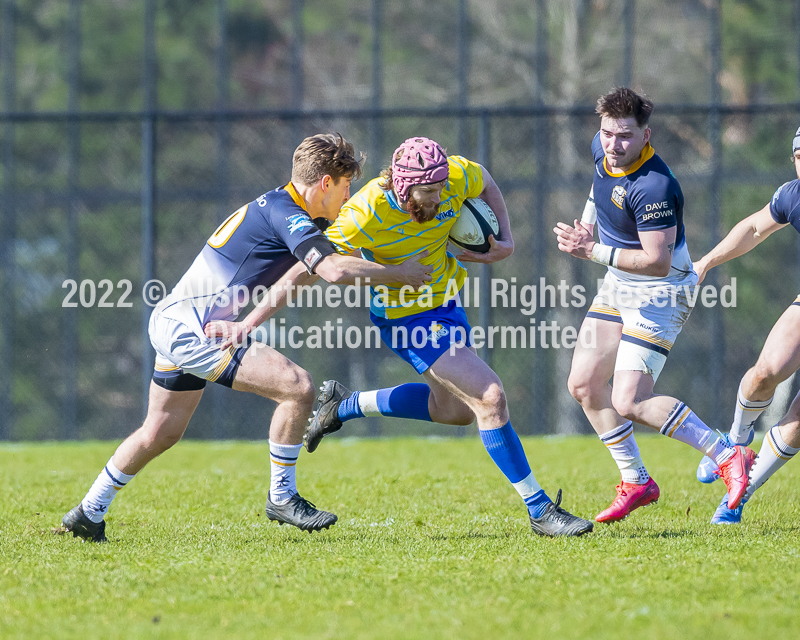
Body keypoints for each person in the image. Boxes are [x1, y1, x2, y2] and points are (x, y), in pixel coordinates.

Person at [61, 133, 432, 542]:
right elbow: (333, 271)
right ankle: (282, 497)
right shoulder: (285, 213)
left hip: (178, 321)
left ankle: (88, 511)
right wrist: (400, 273)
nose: (349, 197)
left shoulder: (289, 212)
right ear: (325, 183)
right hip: (193, 329)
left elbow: (302, 275)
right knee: (298, 388)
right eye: (346, 188)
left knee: (161, 431)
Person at [304, 136, 594, 537]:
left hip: (445, 303)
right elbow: (328, 262)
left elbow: (486, 180)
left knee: (456, 411)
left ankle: (345, 405)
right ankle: (540, 509)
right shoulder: (365, 211)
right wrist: (394, 274)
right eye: (428, 191)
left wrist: (505, 242)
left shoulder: (453, 177)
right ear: (404, 187)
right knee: (490, 397)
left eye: (441, 187)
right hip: (406, 316)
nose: (439, 197)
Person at [552, 87, 754, 524]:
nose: (613, 144)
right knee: (584, 384)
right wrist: (586, 227)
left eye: (625, 135)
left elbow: (657, 262)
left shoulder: (654, 186)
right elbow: (597, 184)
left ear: (646, 134)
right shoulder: (601, 148)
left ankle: (728, 454)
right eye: (607, 133)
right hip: (619, 283)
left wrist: (592, 252)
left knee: (629, 400)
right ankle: (637, 481)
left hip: (661, 292)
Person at [692, 126, 800, 524]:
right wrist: (706, 262)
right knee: (763, 374)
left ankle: (739, 496)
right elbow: (754, 229)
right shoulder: (793, 195)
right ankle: (735, 445)